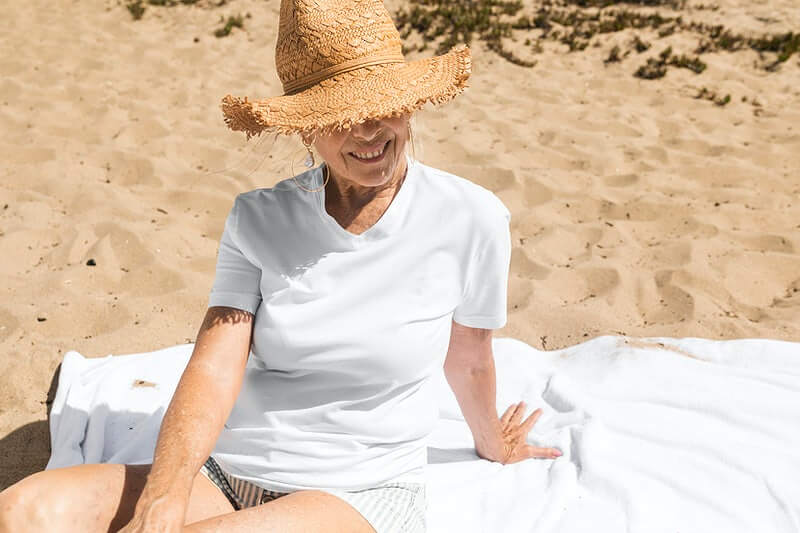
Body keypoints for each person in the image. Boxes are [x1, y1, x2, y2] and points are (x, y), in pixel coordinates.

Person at [0, 0, 562, 531]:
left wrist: (493, 440)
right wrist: (162, 499)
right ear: (304, 125)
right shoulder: (258, 219)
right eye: (340, 115)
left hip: (359, 490)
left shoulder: (472, 217)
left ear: (410, 104)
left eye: (382, 106)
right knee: (25, 509)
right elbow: (215, 367)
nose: (368, 130)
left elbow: (469, 355)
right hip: (229, 472)